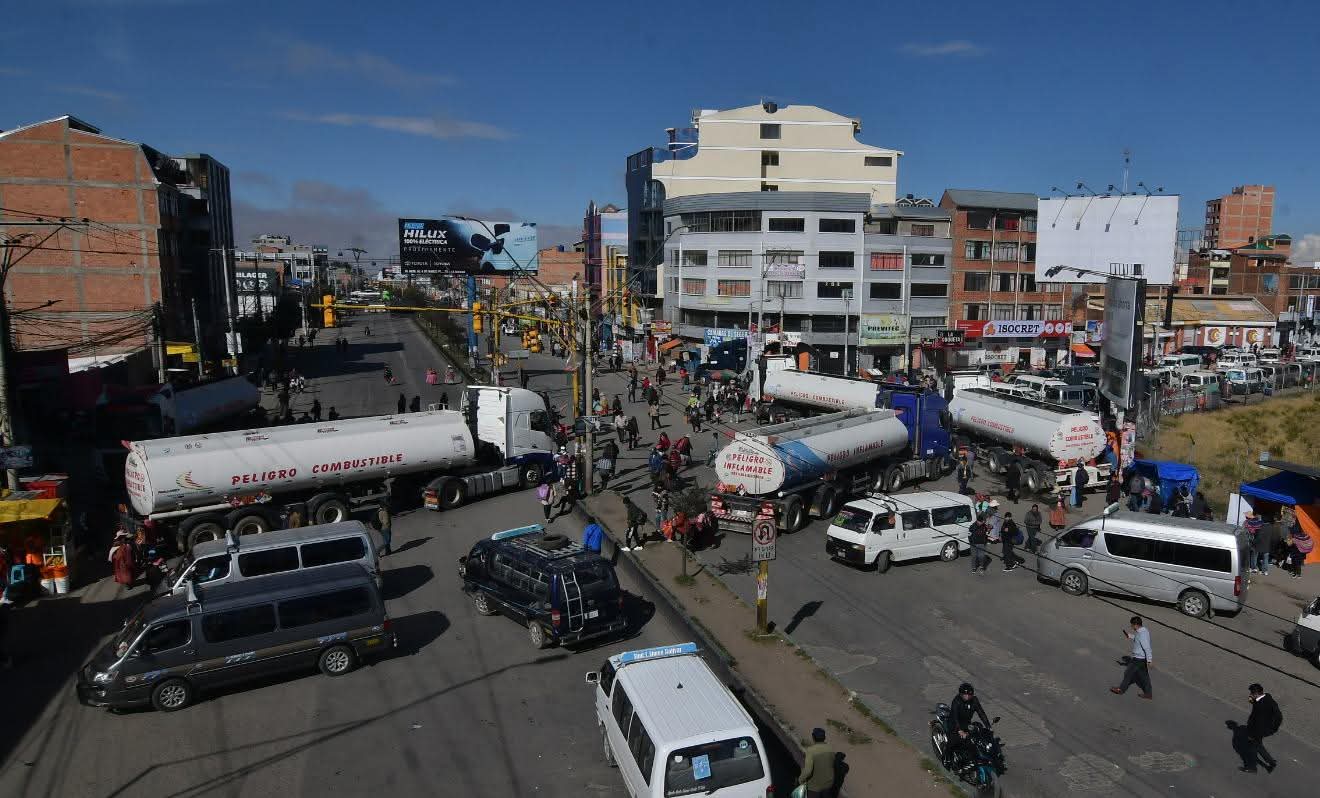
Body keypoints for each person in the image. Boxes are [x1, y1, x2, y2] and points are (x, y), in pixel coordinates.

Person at [1234, 683, 1281, 773]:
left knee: (1251, 748)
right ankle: (1271, 762)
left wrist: (1252, 734)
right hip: (1264, 728)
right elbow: (1277, 715)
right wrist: (1253, 701)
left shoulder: (1261, 706)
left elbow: (1257, 722)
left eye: (1251, 693)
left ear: (1256, 694)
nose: (1250, 695)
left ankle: (1252, 767)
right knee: (1258, 746)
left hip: (1258, 730)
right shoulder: (1267, 697)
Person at [947, 683, 992, 767]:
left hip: (966, 724)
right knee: (953, 741)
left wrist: (988, 726)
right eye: (965, 695)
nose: (967, 697)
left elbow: (981, 713)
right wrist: (959, 730)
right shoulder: (956, 701)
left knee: (975, 738)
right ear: (961, 694)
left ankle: (974, 758)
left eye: (969, 695)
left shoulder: (974, 700)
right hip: (954, 724)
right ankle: (947, 758)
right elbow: (954, 717)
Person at [1110, 615, 1153, 699]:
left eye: (1132, 625)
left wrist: (1149, 660)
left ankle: (1120, 689)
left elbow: (1147, 648)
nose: (1131, 626)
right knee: (1145, 677)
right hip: (1142, 659)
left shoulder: (1142, 634)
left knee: (1128, 673)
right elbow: (1138, 639)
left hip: (1138, 659)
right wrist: (1130, 636)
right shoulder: (1143, 631)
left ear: (1135, 625)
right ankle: (1148, 694)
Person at [796, 727, 837, 798]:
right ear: (824, 737)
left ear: (813, 737)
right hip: (828, 782)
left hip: (815, 786)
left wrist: (800, 780)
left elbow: (808, 771)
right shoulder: (831, 749)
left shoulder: (811, 751)